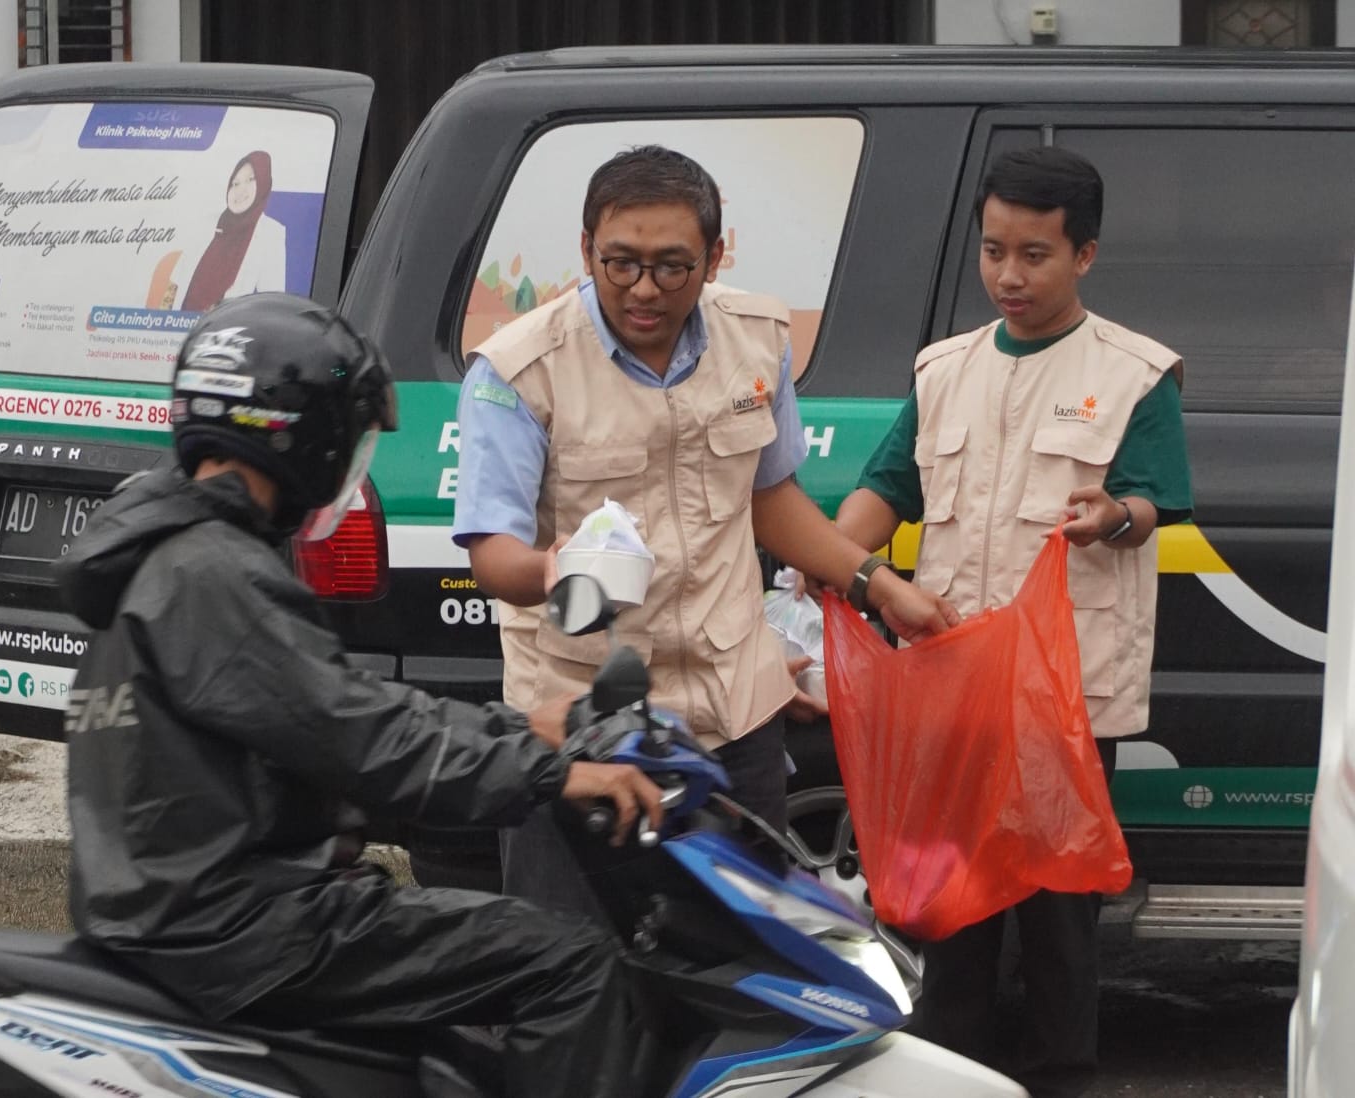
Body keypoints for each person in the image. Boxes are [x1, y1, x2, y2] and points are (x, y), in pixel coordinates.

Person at [57, 292, 664, 1098]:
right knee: (570, 961)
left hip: (182, 910)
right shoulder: (214, 572)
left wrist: (523, 730)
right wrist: (550, 774)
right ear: (301, 434)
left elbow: (341, 706)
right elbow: (368, 743)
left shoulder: (172, 556)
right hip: (245, 926)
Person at [451, 144, 958, 921]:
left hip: (735, 717)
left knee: (738, 968)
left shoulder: (757, 338)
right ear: (586, 249)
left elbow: (770, 498)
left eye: (671, 266)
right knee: (575, 973)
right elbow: (493, 555)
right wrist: (555, 572)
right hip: (585, 725)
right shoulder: (518, 370)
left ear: (715, 258)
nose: (643, 290)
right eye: (619, 263)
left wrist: (878, 585)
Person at [826, 146, 1194, 1098]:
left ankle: (1060, 1076)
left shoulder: (1134, 375)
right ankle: (950, 1074)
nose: (1009, 276)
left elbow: (1156, 502)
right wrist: (831, 564)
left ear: (1086, 256)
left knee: (1059, 914)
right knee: (953, 910)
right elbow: (885, 488)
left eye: (1035, 255)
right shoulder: (945, 370)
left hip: (1063, 699)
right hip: (955, 685)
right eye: (995, 252)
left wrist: (1109, 516)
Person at [161, 151, 288, 310]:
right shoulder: (206, 223)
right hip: (182, 328)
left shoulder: (271, 234)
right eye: (235, 183)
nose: (240, 190)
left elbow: (272, 306)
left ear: (263, 184)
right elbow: (173, 286)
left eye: (250, 180)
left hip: (224, 331)